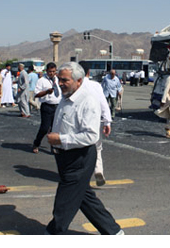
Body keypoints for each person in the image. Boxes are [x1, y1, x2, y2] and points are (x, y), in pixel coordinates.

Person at [45, 62, 122, 235]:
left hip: (79, 158)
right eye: (59, 79)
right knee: (84, 197)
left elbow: (91, 136)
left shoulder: (87, 101)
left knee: (63, 204)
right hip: (64, 156)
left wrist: (60, 139)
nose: (60, 83)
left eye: (65, 80)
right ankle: (114, 232)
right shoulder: (65, 97)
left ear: (78, 81)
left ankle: (53, 233)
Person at [82, 65, 112, 187]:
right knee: (97, 148)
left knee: (81, 148)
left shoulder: (75, 86)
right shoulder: (95, 85)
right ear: (88, 72)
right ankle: (98, 170)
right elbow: (103, 103)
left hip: (80, 121)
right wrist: (107, 122)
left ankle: (83, 175)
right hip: (95, 121)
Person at [32, 62, 61, 153]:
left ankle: (54, 146)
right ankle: (36, 143)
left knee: (55, 128)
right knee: (45, 128)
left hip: (57, 106)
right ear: (46, 71)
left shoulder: (59, 79)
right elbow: (36, 94)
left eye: (53, 71)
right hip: (47, 106)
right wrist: (46, 92)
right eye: (49, 71)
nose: (52, 73)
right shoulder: (42, 80)